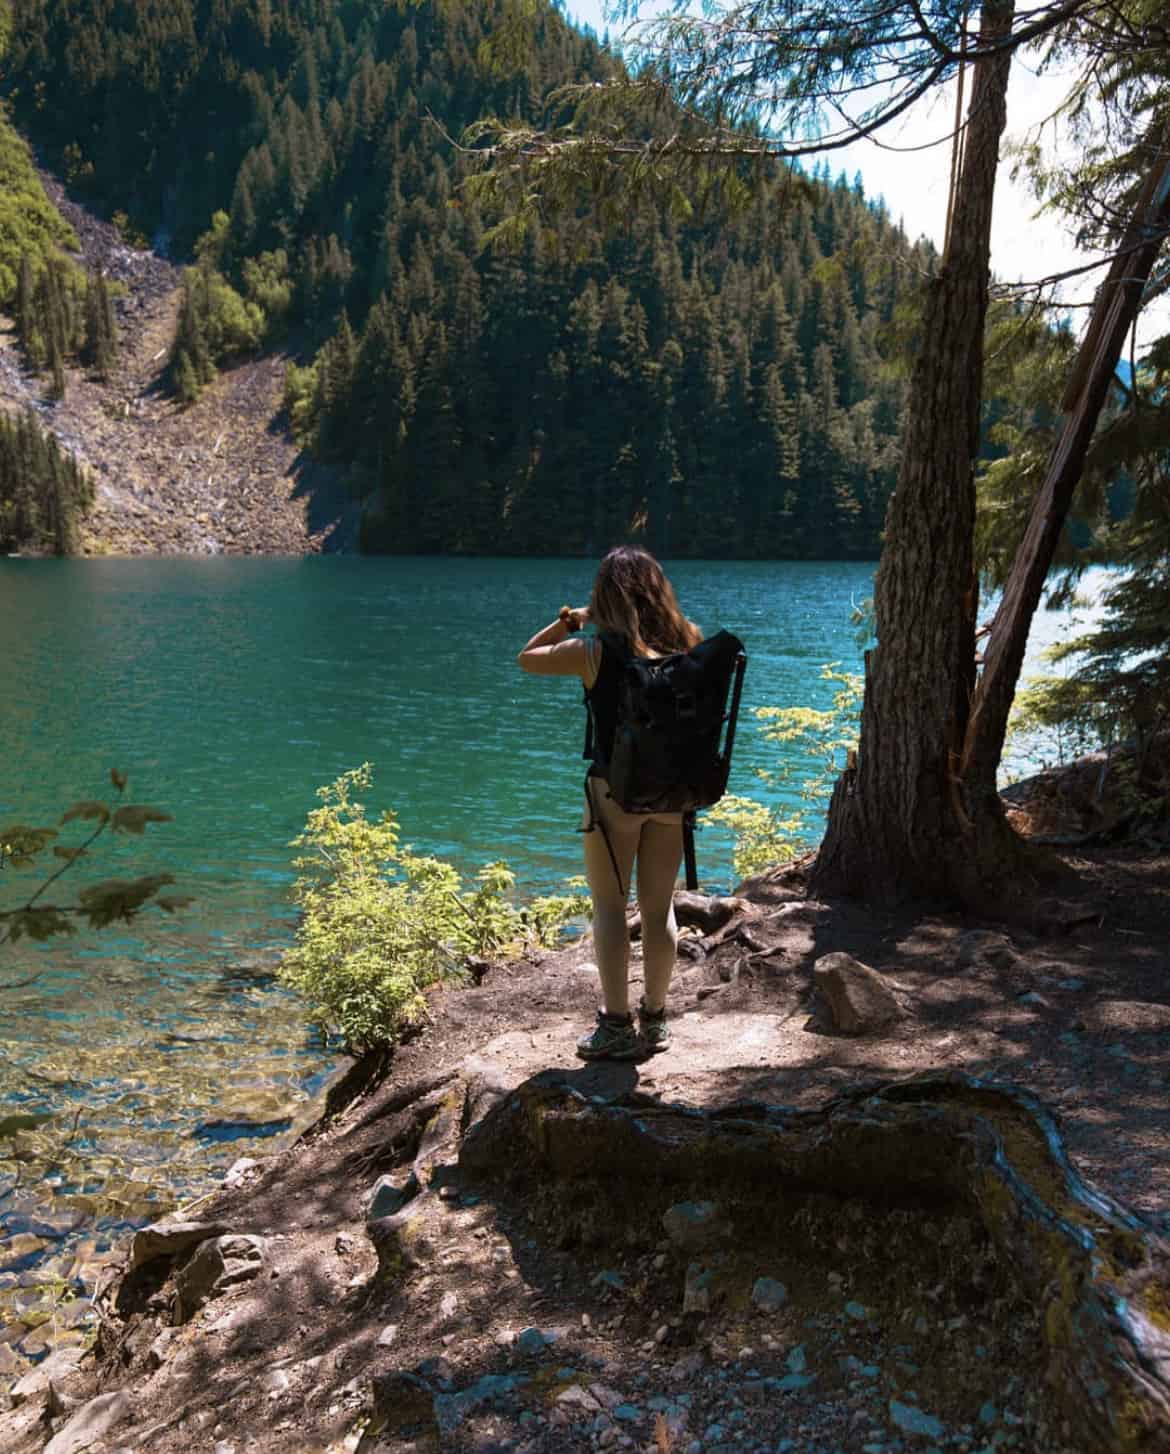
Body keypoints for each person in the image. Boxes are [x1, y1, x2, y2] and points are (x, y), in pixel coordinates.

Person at [517, 546, 702, 1061]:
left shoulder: (592, 651)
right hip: (671, 799)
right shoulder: (690, 641)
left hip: (612, 797)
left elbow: (526, 658)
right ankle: (657, 1020)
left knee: (609, 909)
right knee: (659, 907)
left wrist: (572, 620)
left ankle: (617, 1026)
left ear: (604, 597)